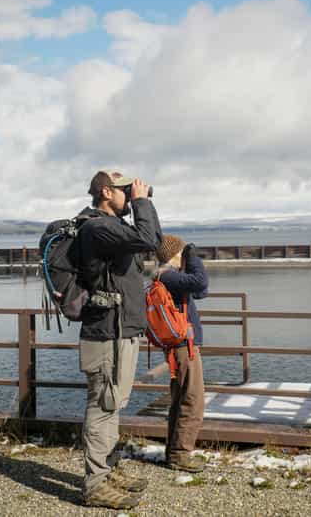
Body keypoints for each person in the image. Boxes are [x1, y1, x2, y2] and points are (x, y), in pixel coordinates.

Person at [78, 170, 162, 509]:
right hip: (105, 334)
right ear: (106, 191)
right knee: (102, 406)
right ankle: (95, 484)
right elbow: (149, 240)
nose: (131, 194)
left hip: (120, 330)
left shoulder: (114, 228)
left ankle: (108, 470)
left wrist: (138, 203)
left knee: (114, 404)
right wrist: (141, 201)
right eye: (125, 190)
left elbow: (149, 238)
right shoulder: (97, 226)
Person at [155, 234, 208, 472]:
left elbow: (201, 289)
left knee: (180, 400)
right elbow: (199, 281)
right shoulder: (168, 276)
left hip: (180, 348)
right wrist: (193, 255)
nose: (184, 256)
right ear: (174, 255)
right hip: (184, 348)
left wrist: (189, 261)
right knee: (192, 400)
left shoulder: (171, 278)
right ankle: (180, 455)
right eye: (181, 253)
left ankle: (174, 451)